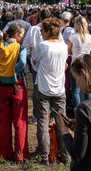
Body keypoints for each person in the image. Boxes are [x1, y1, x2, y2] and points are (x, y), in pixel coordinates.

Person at [0, 23, 29, 163]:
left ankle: (4, 153)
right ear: (16, 35)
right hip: (17, 86)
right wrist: (14, 70)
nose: (22, 37)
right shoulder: (20, 48)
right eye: (21, 35)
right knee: (20, 122)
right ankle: (20, 154)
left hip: (2, 86)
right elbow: (22, 62)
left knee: (3, 122)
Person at [32, 17, 68, 165]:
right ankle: (65, 155)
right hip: (59, 87)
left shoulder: (43, 45)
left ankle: (44, 155)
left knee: (43, 120)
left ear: (48, 31)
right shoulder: (63, 46)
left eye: (42, 31)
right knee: (62, 122)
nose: (40, 33)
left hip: (43, 87)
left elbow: (35, 63)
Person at [67, 16, 91, 107]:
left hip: (75, 63)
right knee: (87, 89)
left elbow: (68, 50)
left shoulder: (73, 36)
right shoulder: (90, 37)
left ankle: (77, 111)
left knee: (75, 91)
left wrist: (72, 51)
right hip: (86, 63)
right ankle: (89, 108)